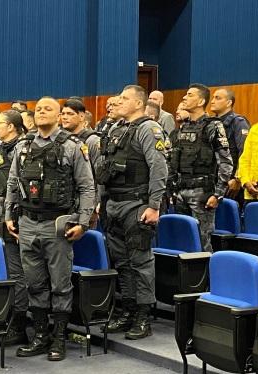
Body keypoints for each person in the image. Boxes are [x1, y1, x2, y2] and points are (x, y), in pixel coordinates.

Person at [5, 96, 95, 361]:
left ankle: (59, 338)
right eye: (39, 109)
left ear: (59, 116)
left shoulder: (72, 146)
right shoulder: (23, 145)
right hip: (27, 223)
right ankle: (41, 336)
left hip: (57, 225)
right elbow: (12, 181)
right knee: (34, 284)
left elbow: (87, 187)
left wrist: (83, 222)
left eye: (49, 109)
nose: (42, 111)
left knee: (60, 285)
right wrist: (9, 213)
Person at [96, 85, 168, 339]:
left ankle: (142, 316)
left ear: (138, 103)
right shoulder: (117, 130)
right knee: (122, 262)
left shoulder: (149, 129)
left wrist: (154, 206)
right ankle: (127, 310)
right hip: (113, 204)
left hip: (137, 204)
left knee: (141, 262)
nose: (119, 101)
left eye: (125, 98)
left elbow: (158, 168)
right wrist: (101, 200)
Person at [170, 84, 233, 252]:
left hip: (202, 193)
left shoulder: (212, 126)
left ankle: (207, 278)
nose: (184, 98)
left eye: (189, 95)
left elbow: (225, 162)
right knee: (183, 240)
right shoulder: (184, 126)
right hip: (181, 191)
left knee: (202, 241)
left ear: (201, 101)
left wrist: (218, 194)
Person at [0, 110, 28, 344]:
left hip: (15, 216)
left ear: (12, 127)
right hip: (0, 216)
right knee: (8, 271)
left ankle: (20, 324)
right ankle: (9, 316)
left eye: (0, 123)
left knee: (18, 273)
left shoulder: (21, 149)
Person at [210, 88, 250, 202]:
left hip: (230, 182)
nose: (212, 101)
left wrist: (237, 179)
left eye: (218, 98)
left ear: (229, 103)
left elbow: (244, 152)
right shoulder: (212, 123)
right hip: (215, 180)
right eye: (213, 98)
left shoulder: (238, 122)